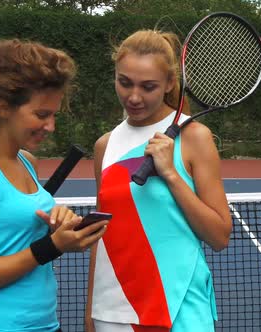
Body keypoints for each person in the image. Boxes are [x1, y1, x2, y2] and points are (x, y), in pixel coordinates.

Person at [0, 39, 108, 332]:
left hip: (47, 325)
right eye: (41, 115)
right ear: (3, 107)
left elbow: (21, 233)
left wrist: (58, 224)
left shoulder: (27, 161)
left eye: (54, 115)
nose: (51, 126)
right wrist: (52, 246)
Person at [85, 29, 232, 332]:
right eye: (124, 83)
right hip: (114, 311)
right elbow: (102, 233)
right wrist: (91, 311)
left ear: (168, 84)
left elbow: (219, 236)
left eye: (148, 87)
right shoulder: (104, 146)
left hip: (179, 312)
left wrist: (171, 174)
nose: (133, 97)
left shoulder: (195, 138)